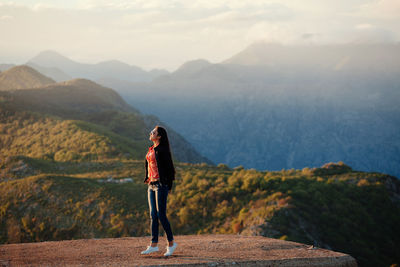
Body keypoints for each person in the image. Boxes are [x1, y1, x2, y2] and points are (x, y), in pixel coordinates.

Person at [141, 126, 177, 257]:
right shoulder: (151, 149)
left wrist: (169, 186)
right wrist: (147, 178)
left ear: (159, 136)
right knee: (153, 215)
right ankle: (153, 245)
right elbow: (149, 165)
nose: (151, 133)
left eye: (153, 132)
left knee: (161, 215)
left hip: (161, 185)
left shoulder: (162, 150)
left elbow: (170, 169)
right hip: (151, 185)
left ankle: (171, 244)